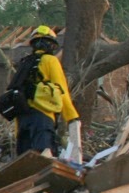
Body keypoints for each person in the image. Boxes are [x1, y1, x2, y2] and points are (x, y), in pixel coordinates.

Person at [16, 25, 81, 158]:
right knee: (44, 157)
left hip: (22, 119)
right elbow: (61, 89)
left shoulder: (24, 63)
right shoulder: (51, 61)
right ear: (51, 44)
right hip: (42, 117)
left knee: (24, 160)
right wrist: (72, 117)